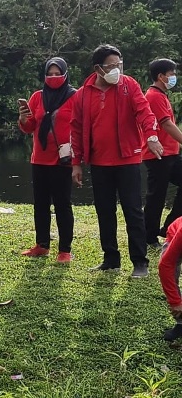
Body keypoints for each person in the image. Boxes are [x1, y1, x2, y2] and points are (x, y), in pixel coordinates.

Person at [70, 44, 162, 278]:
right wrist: (76, 162)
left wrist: (151, 136)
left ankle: (140, 262)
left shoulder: (128, 85)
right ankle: (111, 259)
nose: (117, 70)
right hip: (99, 163)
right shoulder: (83, 94)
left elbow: (144, 111)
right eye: (111, 66)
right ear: (98, 68)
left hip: (127, 159)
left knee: (133, 211)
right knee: (104, 211)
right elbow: (77, 129)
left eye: (119, 65)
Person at [18, 58, 76, 263]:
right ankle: (42, 245)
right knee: (41, 204)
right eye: (49, 74)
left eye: (57, 73)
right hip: (40, 159)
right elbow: (30, 127)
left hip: (63, 159)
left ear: (65, 74)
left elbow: (80, 127)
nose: (53, 77)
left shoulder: (74, 97)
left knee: (62, 204)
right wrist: (24, 119)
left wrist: (79, 157)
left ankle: (65, 250)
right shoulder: (37, 97)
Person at [143, 59, 182, 249]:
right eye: (172, 73)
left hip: (170, 154)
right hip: (158, 154)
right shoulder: (154, 96)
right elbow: (166, 125)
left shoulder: (161, 95)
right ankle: (149, 237)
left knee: (157, 195)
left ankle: (168, 227)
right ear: (161, 76)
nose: (174, 77)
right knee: (156, 196)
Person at [159, 216, 182, 341]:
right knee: (172, 276)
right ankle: (180, 323)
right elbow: (166, 265)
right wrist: (175, 302)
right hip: (174, 237)